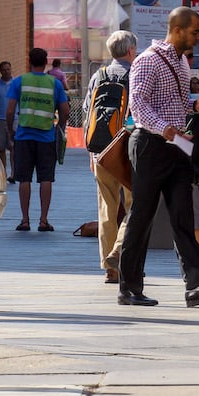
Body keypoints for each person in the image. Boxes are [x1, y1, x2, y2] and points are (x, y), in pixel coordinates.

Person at [116, 7, 199, 308]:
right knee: (142, 216)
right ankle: (128, 287)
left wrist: (197, 105)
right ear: (178, 30)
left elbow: (175, 104)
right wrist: (165, 129)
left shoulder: (181, 61)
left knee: (183, 215)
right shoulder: (147, 60)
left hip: (176, 146)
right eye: (195, 31)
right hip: (150, 146)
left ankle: (197, 284)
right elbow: (138, 105)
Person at [85, 31, 136, 283]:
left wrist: (91, 151)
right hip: (126, 149)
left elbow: (88, 111)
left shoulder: (99, 75)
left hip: (101, 150)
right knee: (134, 206)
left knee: (106, 207)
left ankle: (110, 267)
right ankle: (119, 252)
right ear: (130, 51)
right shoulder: (134, 74)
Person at [5, 46, 70, 232]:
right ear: (46, 61)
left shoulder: (20, 82)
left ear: (29, 61)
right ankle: (43, 220)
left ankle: (25, 220)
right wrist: (60, 127)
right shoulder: (54, 83)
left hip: (24, 136)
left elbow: (9, 110)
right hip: (46, 137)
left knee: (23, 178)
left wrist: (11, 130)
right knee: (46, 178)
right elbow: (65, 110)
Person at [0, 60, 15, 182]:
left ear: (11, 69)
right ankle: (3, 173)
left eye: (8, 69)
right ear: (0, 71)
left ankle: (14, 173)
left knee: (13, 147)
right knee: (1, 149)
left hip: (14, 120)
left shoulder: (16, 84)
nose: (6, 72)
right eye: (4, 70)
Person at [48, 58, 70, 164]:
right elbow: (65, 87)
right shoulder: (61, 74)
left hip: (49, 99)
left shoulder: (48, 73)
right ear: (59, 65)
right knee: (62, 123)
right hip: (59, 99)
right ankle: (59, 134)